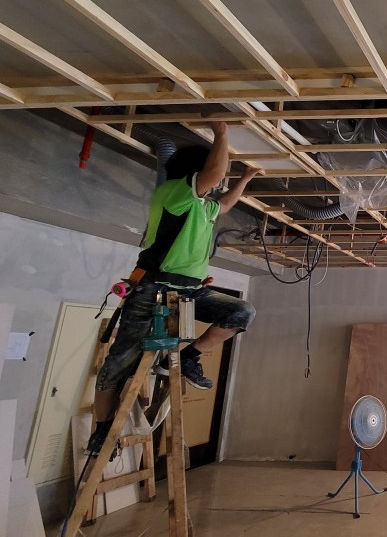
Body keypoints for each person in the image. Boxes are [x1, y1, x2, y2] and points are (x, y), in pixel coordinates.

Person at [88, 121, 260, 456]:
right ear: (194, 174)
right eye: (211, 176)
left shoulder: (202, 206)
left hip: (189, 292)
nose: (217, 182)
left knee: (241, 312)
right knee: (117, 366)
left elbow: (225, 204)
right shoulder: (174, 194)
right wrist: (221, 133)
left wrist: (246, 178)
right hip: (152, 290)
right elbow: (213, 175)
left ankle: (189, 356)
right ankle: (102, 430)